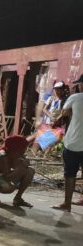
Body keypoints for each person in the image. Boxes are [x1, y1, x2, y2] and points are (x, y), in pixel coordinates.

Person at [53, 75, 83, 211]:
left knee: (70, 174)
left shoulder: (75, 98)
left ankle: (67, 203)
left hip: (73, 143)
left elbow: (64, 114)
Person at [0, 135, 35, 207]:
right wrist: (21, 168)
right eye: (24, 148)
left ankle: (18, 198)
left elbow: (16, 167)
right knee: (22, 171)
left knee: (30, 171)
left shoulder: (15, 153)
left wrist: (23, 164)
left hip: (6, 178)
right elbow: (7, 177)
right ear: (17, 148)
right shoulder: (2, 156)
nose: (25, 150)